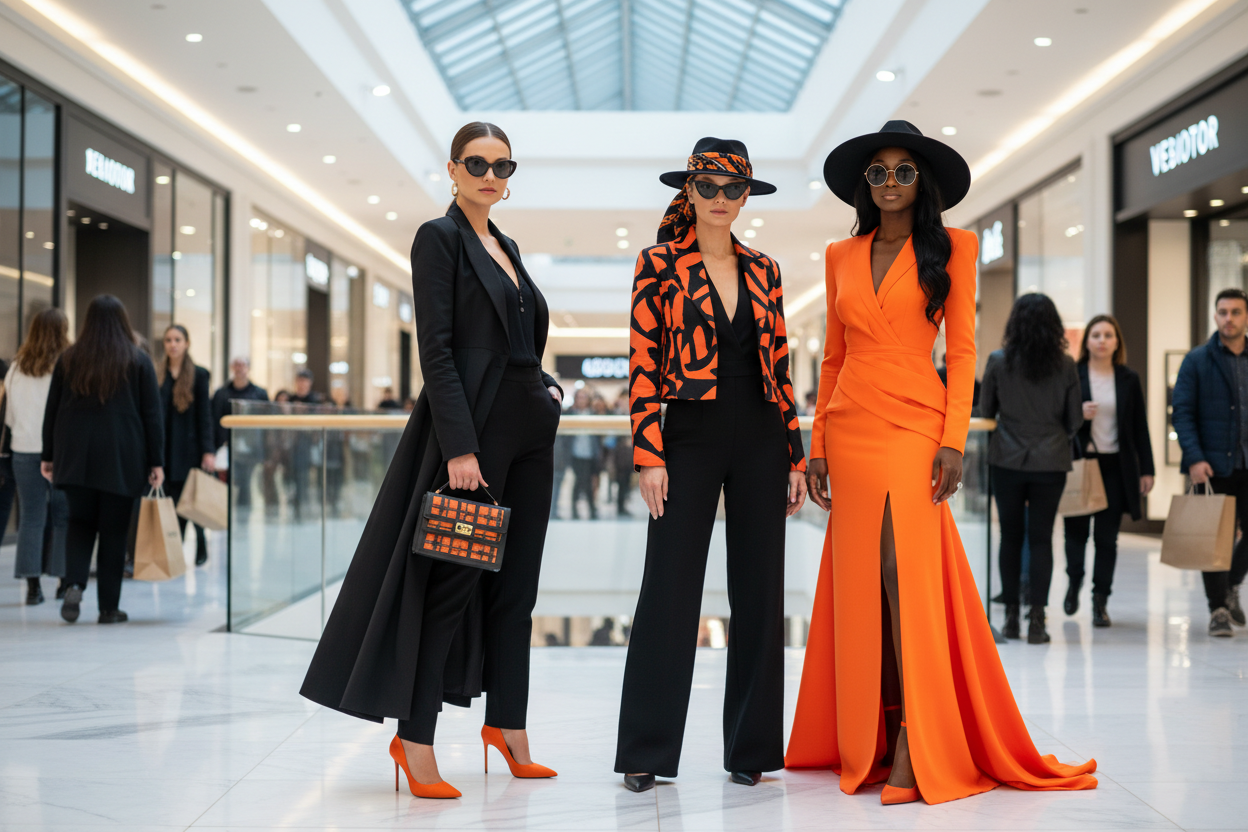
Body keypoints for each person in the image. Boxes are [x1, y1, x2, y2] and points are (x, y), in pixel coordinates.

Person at [786, 121, 1096, 805]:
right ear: (864, 183)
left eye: (903, 171)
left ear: (922, 180)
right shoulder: (841, 254)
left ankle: (914, 737)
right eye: (879, 171)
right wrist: (817, 448)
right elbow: (833, 359)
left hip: (916, 426)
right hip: (852, 426)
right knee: (863, 580)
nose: (891, 182)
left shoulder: (953, 247)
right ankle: (870, 729)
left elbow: (961, 354)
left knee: (903, 573)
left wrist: (954, 439)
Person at [301, 121, 563, 799]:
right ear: (452, 169)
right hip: (480, 436)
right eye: (476, 163)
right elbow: (438, 350)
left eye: (503, 166)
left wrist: (548, 388)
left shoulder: (504, 244)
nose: (489, 175)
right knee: (453, 585)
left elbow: (520, 341)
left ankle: (509, 725)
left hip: (534, 430)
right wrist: (461, 447)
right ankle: (414, 737)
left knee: (518, 591)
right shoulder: (438, 238)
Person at [615, 137, 807, 793]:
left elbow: (781, 370)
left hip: (759, 434)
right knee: (668, 587)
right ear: (688, 191)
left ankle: (751, 748)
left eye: (733, 188)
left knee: (760, 590)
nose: (721, 199)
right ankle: (644, 749)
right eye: (709, 186)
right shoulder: (658, 263)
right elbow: (642, 367)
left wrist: (795, 456)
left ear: (747, 195)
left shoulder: (766, 270)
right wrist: (649, 452)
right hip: (688, 434)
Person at [42, 295, 164, 624]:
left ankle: (75, 585)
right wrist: (157, 462)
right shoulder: (137, 360)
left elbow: (52, 410)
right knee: (113, 532)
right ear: (123, 322)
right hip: (122, 459)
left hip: (75, 457)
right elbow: (152, 415)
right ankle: (109, 608)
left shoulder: (69, 358)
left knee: (79, 525)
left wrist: (48, 455)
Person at [980, 293, 1082, 643]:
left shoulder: (998, 361)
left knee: (1010, 537)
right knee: (1041, 539)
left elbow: (986, 412)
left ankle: (1010, 618)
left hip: (1006, 459)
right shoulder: (1066, 364)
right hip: (1050, 462)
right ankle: (1037, 620)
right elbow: (1075, 419)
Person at [1063, 315, 1154, 627]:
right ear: (1087, 341)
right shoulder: (1073, 375)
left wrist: (1148, 469)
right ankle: (1074, 582)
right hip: (1081, 464)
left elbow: (1140, 426)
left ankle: (1100, 599)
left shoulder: (1128, 378)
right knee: (1075, 533)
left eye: (1108, 335)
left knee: (1107, 539)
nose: (1102, 340)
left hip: (1116, 466)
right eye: (1096, 335)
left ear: (1117, 342)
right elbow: (1059, 420)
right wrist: (1078, 413)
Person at [1172, 287, 1248, 637]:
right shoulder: (1197, 360)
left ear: (1245, 317)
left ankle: (1232, 583)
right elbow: (1183, 414)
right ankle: (1218, 608)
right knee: (1212, 537)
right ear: (1215, 316)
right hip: (1214, 465)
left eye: (1235, 312)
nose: (1228, 318)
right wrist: (1195, 458)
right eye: (1222, 312)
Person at [7, 309, 71, 605]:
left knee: (31, 517)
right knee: (62, 516)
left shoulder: (17, 366)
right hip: (60, 451)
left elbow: (9, 416)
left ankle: (33, 588)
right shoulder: (68, 364)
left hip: (22, 449)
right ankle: (61, 581)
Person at [157, 325, 215, 567]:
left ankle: (199, 541)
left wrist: (208, 451)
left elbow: (205, 415)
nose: (173, 344)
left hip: (188, 449)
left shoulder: (199, 375)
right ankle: (178, 548)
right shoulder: (158, 374)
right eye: (169, 340)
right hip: (165, 448)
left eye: (178, 339)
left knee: (189, 500)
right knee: (172, 500)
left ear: (186, 343)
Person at [211, 356, 269, 510]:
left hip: (250, 450)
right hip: (225, 448)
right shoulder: (221, 394)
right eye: (236, 365)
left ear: (248, 368)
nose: (239, 368)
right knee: (224, 484)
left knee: (245, 485)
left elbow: (266, 424)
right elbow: (215, 421)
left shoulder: (259, 394)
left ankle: (243, 519)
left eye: (243, 365)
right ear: (232, 367)